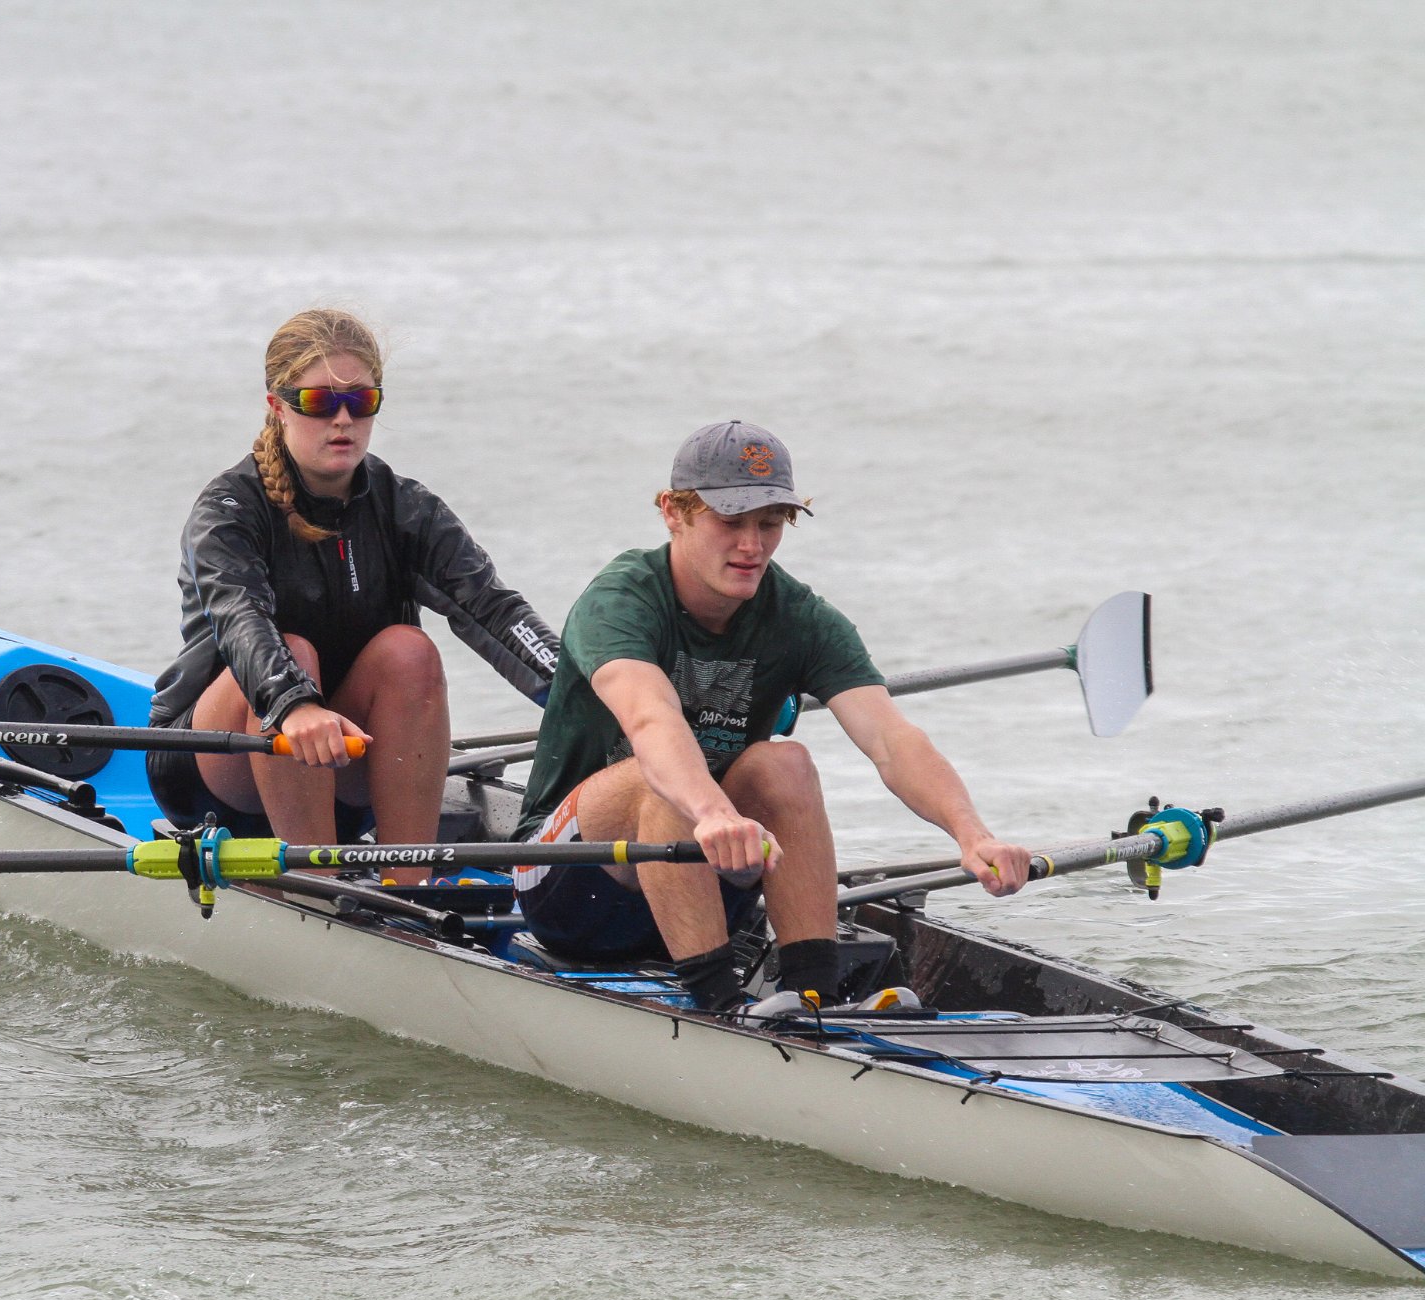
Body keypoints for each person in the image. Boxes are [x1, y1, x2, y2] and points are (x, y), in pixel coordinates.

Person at [512, 420, 1031, 1011]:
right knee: (659, 781)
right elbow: (650, 719)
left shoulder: (800, 616)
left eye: (769, 523)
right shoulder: (620, 600)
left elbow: (891, 738)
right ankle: (718, 1006)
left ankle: (814, 995)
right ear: (672, 512)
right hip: (570, 884)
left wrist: (972, 833)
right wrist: (709, 811)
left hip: (704, 875)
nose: (751, 546)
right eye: (729, 522)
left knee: (785, 764)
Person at [148, 309, 558, 882]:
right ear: (278, 406)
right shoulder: (228, 511)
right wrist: (295, 704)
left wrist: (590, 697)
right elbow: (240, 618)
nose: (342, 420)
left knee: (409, 650)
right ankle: (320, 892)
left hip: (347, 766)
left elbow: (494, 610)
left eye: (361, 402)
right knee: (294, 651)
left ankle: (408, 890)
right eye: (320, 402)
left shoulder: (403, 508)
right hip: (216, 777)